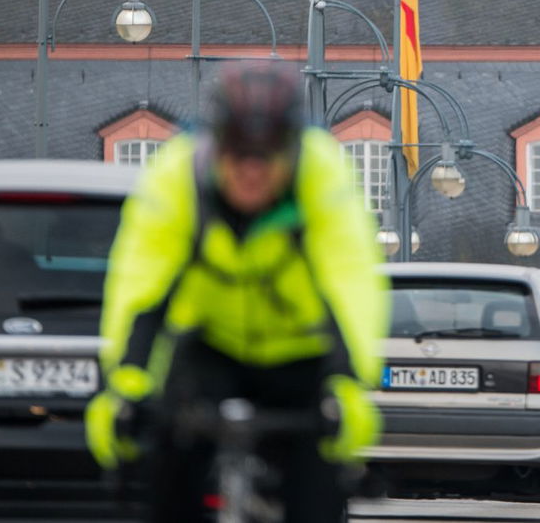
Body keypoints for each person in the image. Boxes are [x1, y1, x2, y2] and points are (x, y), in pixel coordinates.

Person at [85, 60, 386, 522]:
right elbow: (140, 286)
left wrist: (350, 383)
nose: (252, 171)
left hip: (300, 353)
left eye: (267, 156)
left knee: (319, 490)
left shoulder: (322, 175)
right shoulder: (177, 178)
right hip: (211, 346)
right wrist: (125, 383)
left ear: (292, 151)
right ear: (216, 145)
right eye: (238, 154)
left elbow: (350, 282)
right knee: (165, 470)